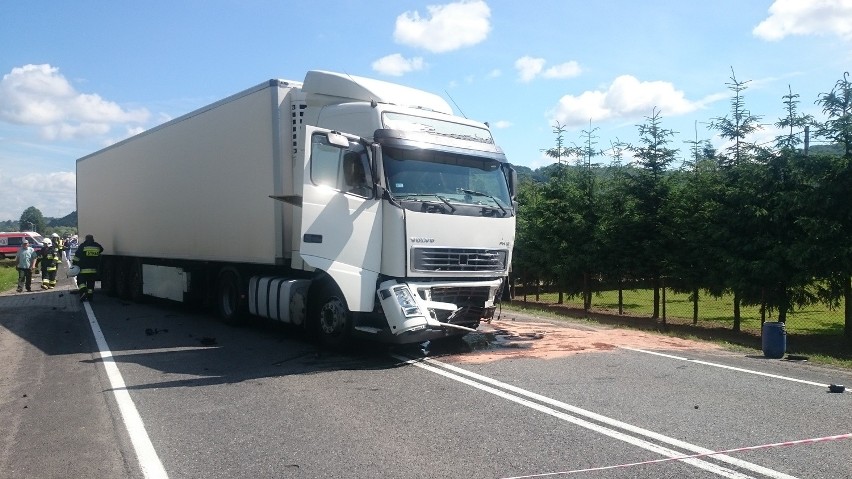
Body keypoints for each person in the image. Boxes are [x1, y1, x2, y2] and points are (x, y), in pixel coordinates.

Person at [73, 234, 103, 301]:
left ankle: (83, 292)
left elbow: (77, 256)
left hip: (83, 270)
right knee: (91, 284)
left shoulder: (83, 246)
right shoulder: (96, 246)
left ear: (86, 239)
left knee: (81, 282)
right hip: (93, 270)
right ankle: (90, 297)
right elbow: (101, 249)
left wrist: (74, 264)